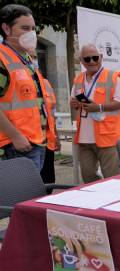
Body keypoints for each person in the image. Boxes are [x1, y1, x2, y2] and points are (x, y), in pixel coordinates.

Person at [0, 4, 56, 171]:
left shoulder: (25, 59)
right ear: (6, 29)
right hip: (15, 145)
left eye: (33, 28)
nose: (31, 33)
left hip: (35, 141)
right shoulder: (2, 59)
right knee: (18, 195)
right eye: (24, 28)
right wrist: (15, 136)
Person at [70, 43, 120, 183]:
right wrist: (75, 104)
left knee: (112, 179)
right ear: (81, 60)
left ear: (101, 57)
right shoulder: (78, 79)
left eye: (95, 58)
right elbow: (73, 101)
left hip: (107, 138)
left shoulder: (112, 77)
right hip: (84, 139)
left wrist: (99, 107)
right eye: (87, 59)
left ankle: (113, 203)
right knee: (88, 177)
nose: (92, 62)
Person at [28, 50, 61, 184]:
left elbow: (51, 113)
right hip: (31, 140)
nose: (34, 60)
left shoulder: (45, 83)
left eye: (35, 57)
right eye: (31, 57)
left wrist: (56, 136)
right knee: (33, 183)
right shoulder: (20, 80)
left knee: (49, 180)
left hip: (48, 139)